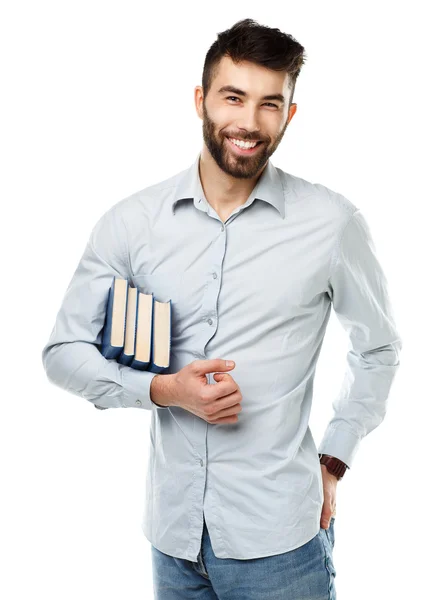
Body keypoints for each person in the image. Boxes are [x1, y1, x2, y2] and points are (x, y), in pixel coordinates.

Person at [42, 17, 402, 600]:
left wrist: (335, 459)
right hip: (173, 542)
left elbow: (379, 347)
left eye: (270, 104)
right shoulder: (133, 224)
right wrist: (165, 390)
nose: (249, 122)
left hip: (282, 545)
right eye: (233, 97)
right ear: (200, 100)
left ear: (288, 114)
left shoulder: (332, 224)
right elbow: (64, 353)